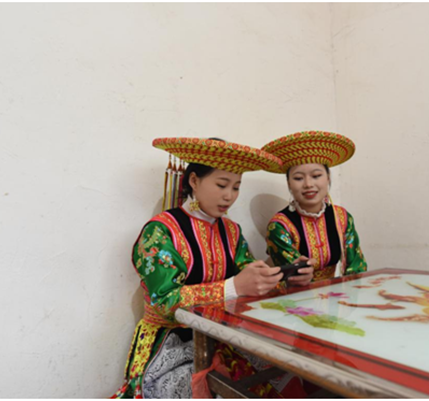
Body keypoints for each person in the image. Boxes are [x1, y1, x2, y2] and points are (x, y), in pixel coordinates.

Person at [112, 137, 313, 398]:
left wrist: (284, 277)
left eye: (236, 187)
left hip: (223, 333)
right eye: (221, 185)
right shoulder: (160, 231)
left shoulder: (231, 230)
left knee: (282, 374)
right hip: (171, 340)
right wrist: (232, 287)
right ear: (194, 181)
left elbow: (248, 276)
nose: (229, 196)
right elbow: (164, 301)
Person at [262, 131, 367, 282]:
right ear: (289, 183)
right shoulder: (279, 226)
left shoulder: (342, 218)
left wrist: (351, 292)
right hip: (295, 294)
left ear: (328, 178)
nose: (308, 184)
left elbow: (356, 267)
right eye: (298, 178)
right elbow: (294, 277)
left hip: (336, 292)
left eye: (316, 176)